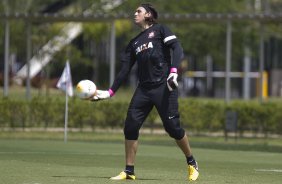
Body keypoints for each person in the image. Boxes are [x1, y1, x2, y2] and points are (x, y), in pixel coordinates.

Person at [92, 3, 199, 181]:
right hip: (144, 89)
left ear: (148, 14)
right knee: (130, 126)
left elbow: (177, 48)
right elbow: (124, 71)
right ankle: (129, 171)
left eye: (138, 11)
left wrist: (173, 72)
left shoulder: (160, 30)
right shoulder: (134, 43)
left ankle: (192, 162)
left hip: (164, 86)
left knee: (173, 128)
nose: (135, 14)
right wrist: (110, 92)